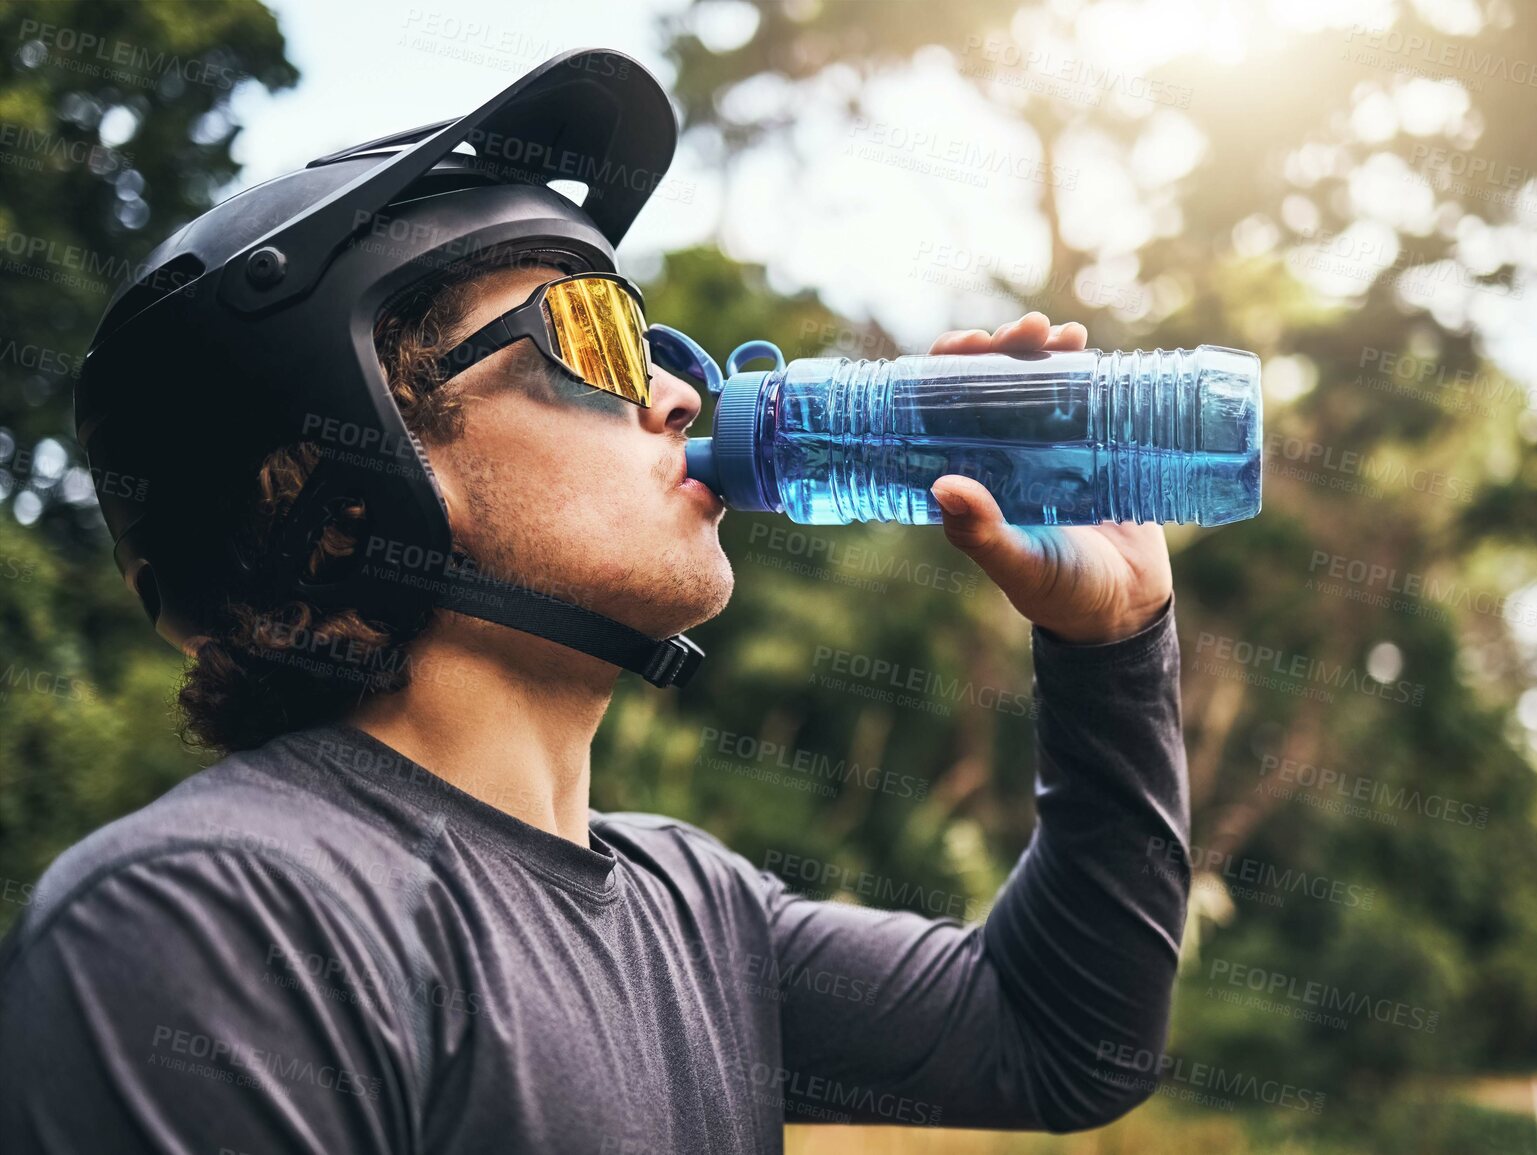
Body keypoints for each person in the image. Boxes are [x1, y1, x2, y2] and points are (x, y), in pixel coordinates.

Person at [0, 50, 1191, 1153]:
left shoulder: (700, 913)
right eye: (593, 336)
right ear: (357, 472)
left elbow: (1061, 1041)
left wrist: (1112, 643)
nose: (681, 393)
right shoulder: (213, 923)